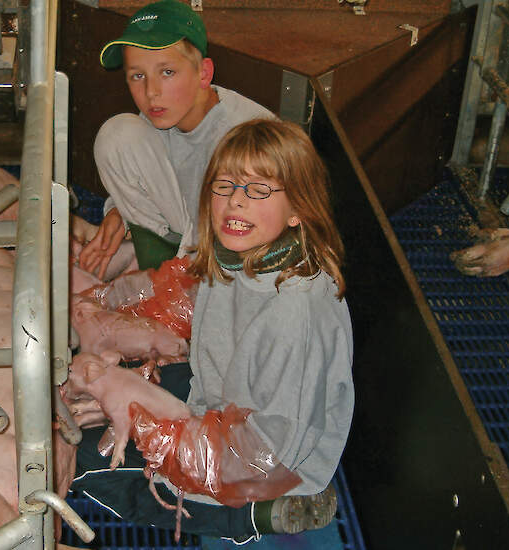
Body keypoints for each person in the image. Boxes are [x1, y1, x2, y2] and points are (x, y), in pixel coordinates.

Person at [66, 118, 354, 543]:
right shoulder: (236, 256)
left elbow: (264, 453)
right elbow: (173, 292)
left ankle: (256, 516)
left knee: (80, 456)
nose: (236, 201)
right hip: (214, 402)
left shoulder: (295, 313)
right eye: (225, 185)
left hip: (264, 460)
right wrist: (94, 303)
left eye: (258, 190)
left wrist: (146, 421)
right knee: (102, 401)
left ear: (298, 210)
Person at [74, 0, 275, 279]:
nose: (151, 91)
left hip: (247, 260)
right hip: (193, 232)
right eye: (138, 75)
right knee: (117, 134)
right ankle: (161, 267)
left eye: (167, 72)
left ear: (204, 73)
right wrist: (119, 213)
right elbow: (148, 175)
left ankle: (180, 280)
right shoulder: (161, 114)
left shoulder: (244, 138)